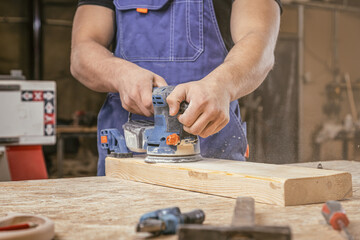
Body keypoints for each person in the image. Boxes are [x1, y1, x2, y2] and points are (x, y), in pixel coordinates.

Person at [71, 0, 281, 176]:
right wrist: (119, 74)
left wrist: (222, 85)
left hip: (211, 154)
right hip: (126, 157)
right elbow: (82, 51)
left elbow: (259, 38)